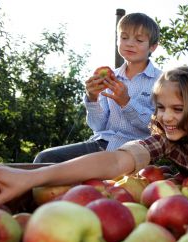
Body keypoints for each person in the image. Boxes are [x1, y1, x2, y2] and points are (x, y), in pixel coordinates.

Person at [0, 66, 188, 206]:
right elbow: (115, 162)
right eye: (161, 108)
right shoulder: (165, 134)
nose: (165, 117)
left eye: (177, 109)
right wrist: (31, 177)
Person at [33, 13, 162, 163]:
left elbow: (157, 128)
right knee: (45, 158)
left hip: (135, 151)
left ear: (153, 46)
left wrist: (126, 102)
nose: (129, 44)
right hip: (100, 144)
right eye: (124, 37)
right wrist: (92, 98)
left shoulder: (161, 81)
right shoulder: (109, 77)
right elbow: (98, 125)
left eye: (139, 40)